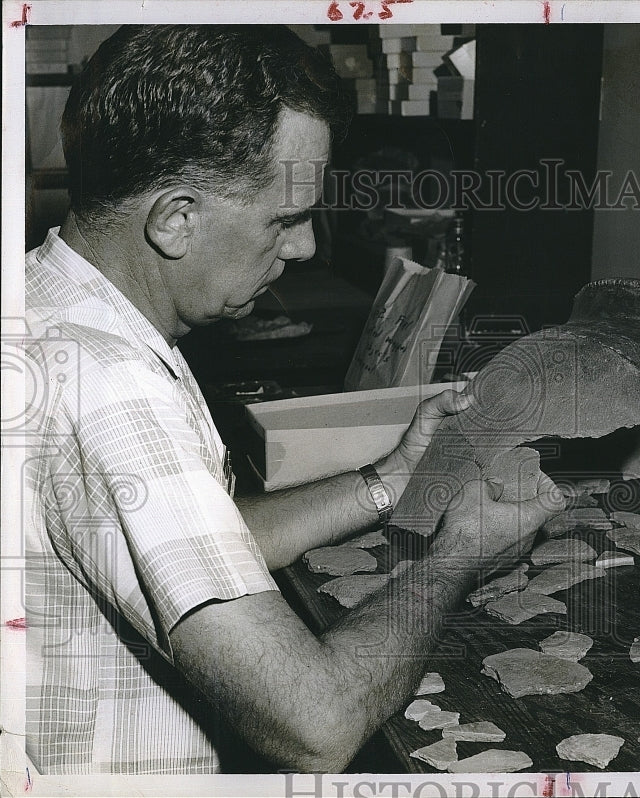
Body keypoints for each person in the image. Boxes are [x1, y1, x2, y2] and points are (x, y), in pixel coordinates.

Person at [21, 25, 563, 775]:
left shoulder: (49, 300)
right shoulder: (113, 389)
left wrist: (391, 480)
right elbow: (314, 725)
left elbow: (192, 545)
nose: (305, 246)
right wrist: (460, 556)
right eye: (284, 217)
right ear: (175, 219)